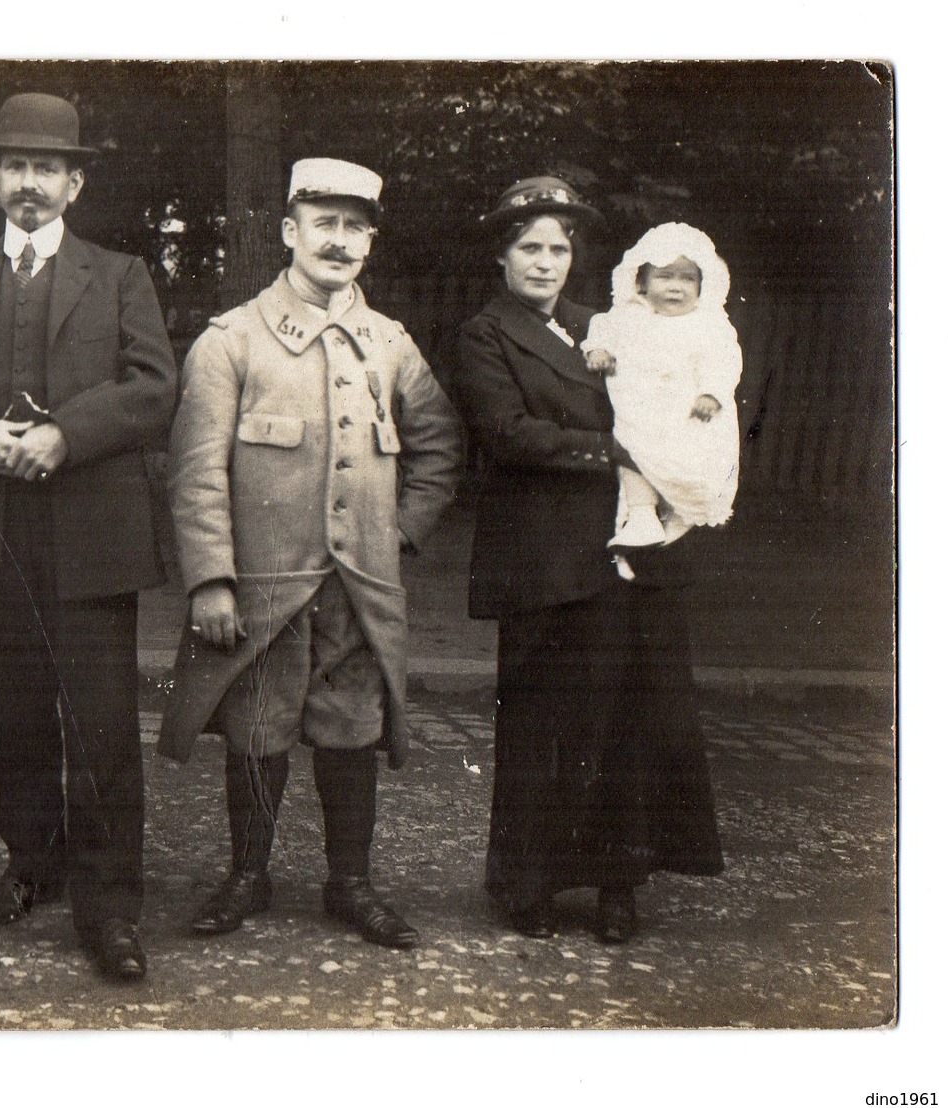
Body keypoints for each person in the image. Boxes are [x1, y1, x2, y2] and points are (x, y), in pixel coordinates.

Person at [0, 93, 177, 982]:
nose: (29, 183)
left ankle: (108, 905)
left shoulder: (121, 274)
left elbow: (151, 386)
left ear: (74, 182)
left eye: (46, 168)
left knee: (97, 721)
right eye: (14, 167)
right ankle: (30, 864)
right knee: (16, 713)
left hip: (92, 530)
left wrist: (66, 433)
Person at [159, 159, 462, 949]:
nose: (339, 240)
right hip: (265, 589)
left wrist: (397, 534)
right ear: (289, 231)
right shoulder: (231, 340)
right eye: (323, 222)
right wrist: (211, 580)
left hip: (359, 591)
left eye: (355, 225)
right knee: (257, 731)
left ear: (369, 241)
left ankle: (350, 884)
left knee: (351, 730)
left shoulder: (389, 344)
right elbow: (195, 474)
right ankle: (246, 877)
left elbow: (437, 448)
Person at [449, 176, 724, 945]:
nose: (544, 262)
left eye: (558, 248)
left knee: (624, 724)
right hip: (541, 559)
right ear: (502, 257)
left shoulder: (604, 325)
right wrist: (614, 449)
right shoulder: (484, 334)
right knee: (543, 723)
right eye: (528, 248)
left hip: (622, 553)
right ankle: (527, 884)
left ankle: (616, 885)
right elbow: (507, 433)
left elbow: (673, 390)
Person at [581, 222, 743, 562]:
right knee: (631, 449)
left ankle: (683, 513)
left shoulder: (709, 322)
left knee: (690, 461)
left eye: (688, 279)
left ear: (703, 284)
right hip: (641, 408)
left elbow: (724, 358)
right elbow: (602, 329)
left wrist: (711, 393)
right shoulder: (628, 315)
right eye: (665, 276)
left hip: (689, 411)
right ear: (640, 280)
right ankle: (642, 515)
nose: (676, 287)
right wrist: (599, 351)